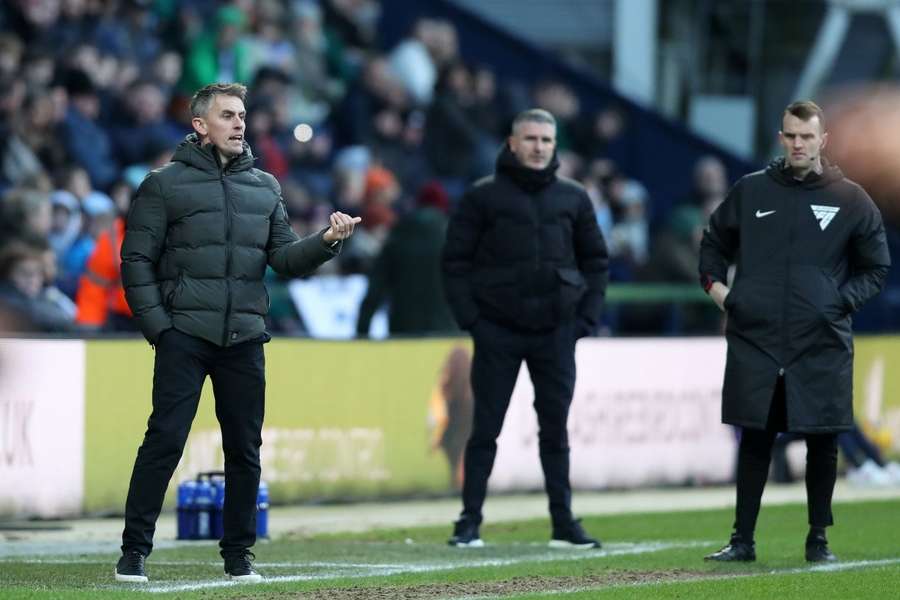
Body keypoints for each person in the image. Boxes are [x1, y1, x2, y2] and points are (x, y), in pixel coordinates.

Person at [114, 83, 360, 584]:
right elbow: (135, 260)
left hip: (245, 336)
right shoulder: (162, 185)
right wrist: (160, 328)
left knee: (245, 450)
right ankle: (133, 551)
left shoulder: (265, 187)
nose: (240, 123)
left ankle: (239, 556)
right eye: (227, 115)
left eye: (242, 115)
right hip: (184, 332)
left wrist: (327, 241)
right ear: (200, 125)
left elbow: (285, 258)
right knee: (164, 440)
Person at [699, 100, 890, 563]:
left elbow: (876, 267)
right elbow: (712, 247)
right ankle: (742, 540)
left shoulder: (851, 198)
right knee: (755, 438)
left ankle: (817, 540)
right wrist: (727, 297)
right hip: (757, 338)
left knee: (823, 440)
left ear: (823, 140)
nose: (798, 144)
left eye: (807, 136)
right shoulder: (751, 191)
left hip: (820, 341)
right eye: (791, 135)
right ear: (781, 138)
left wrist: (837, 305)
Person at [441, 108, 609, 549]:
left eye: (546, 141)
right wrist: (473, 321)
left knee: (555, 429)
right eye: (530, 139)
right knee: (485, 429)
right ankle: (469, 521)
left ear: (555, 146)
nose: (538, 147)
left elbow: (596, 261)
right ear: (513, 143)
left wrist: (584, 320)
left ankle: (563, 523)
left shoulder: (574, 198)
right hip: (497, 330)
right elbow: (454, 262)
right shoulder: (482, 197)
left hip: (556, 331)